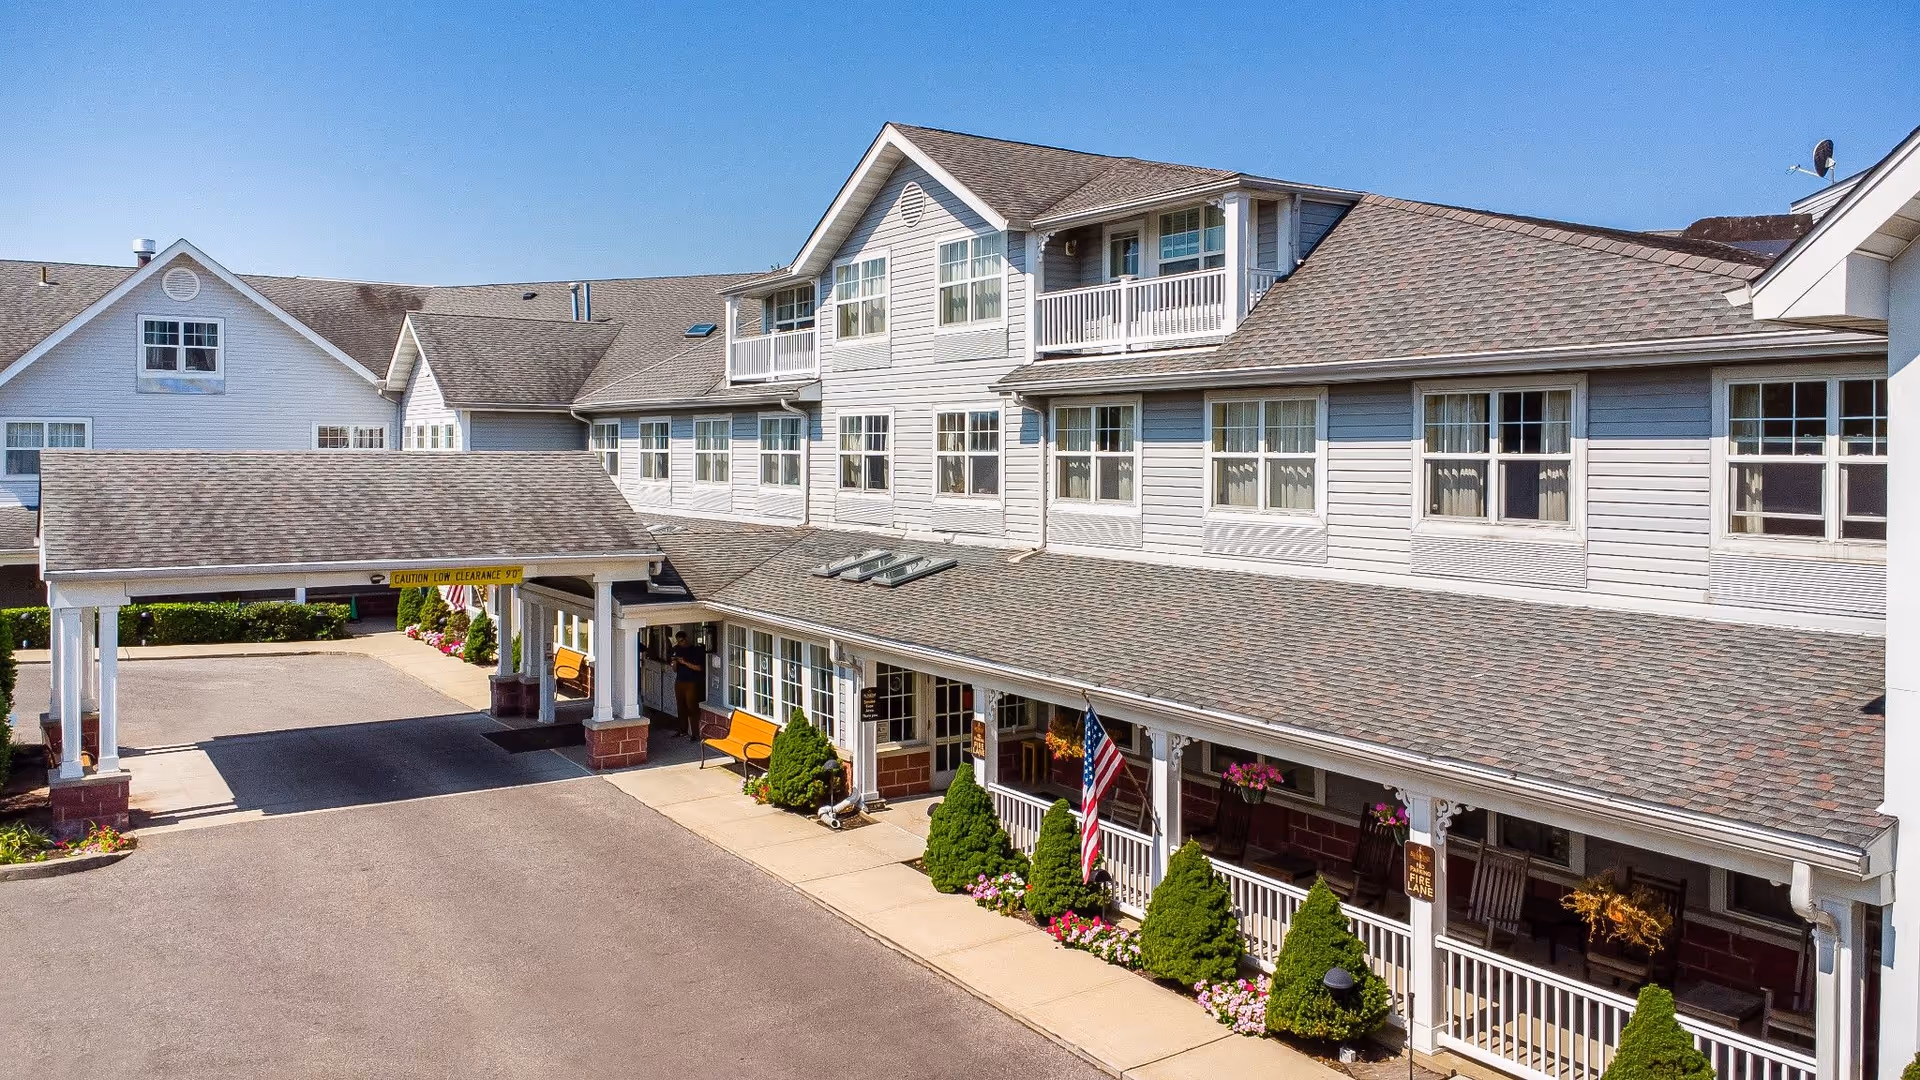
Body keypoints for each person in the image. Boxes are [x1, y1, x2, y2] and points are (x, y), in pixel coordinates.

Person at [670, 631, 706, 739]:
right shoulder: (676, 649)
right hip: (680, 681)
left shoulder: (696, 650)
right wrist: (675, 662)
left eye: (682, 640)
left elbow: (700, 668)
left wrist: (685, 662)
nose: (681, 643)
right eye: (679, 641)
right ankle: (682, 730)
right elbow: (674, 670)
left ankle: (695, 733)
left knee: (692, 707)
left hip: (692, 681)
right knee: (681, 707)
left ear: (686, 638)